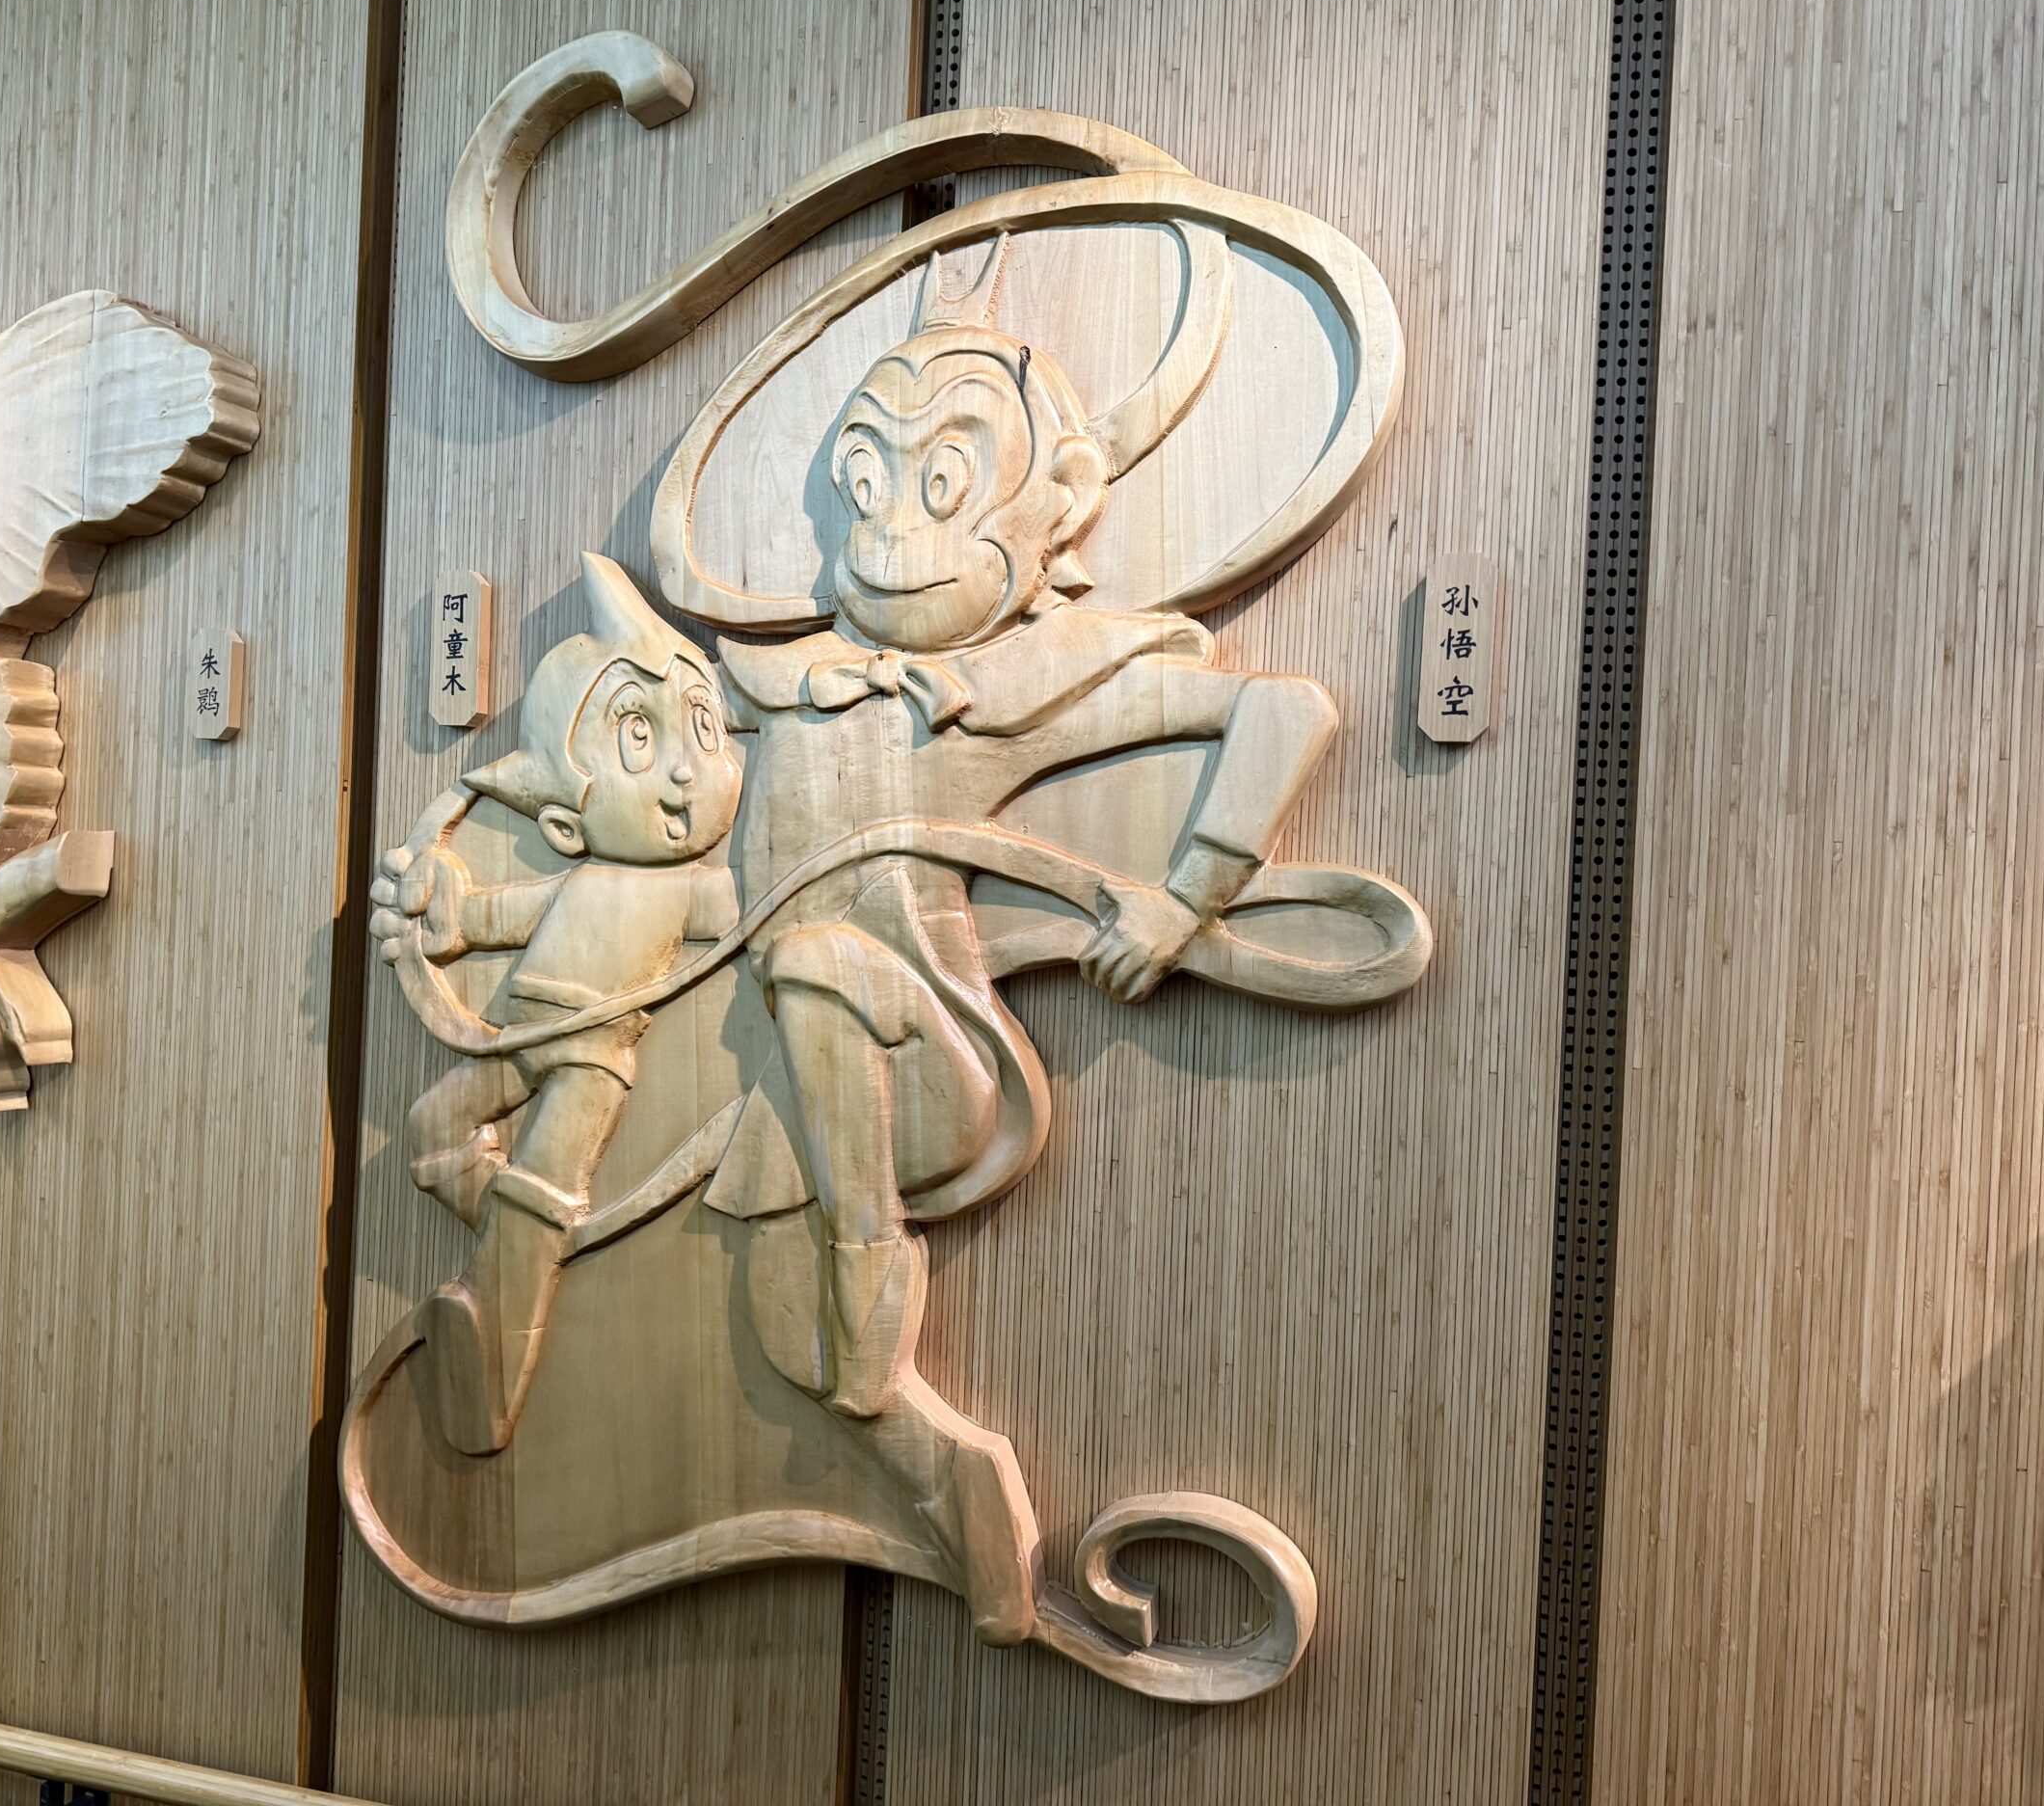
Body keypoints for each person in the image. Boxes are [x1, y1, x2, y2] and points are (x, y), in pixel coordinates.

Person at [703, 322, 1342, 1434]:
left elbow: (1285, 709)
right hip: (785, 1075)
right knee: (784, 1361)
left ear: (1058, 498)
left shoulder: (1036, 677)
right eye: (869, 482)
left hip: (924, 1070)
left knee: (820, 960)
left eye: (942, 481)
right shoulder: (796, 686)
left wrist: (1187, 897)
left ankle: (869, 1252)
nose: (894, 531)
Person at [369, 553, 741, 1455]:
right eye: (639, 739)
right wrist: (444, 917)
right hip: (522, 1031)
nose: (684, 773)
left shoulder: (694, 889)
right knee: (430, 1131)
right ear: (564, 826)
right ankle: (535, 1248)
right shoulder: (584, 874)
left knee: (538, 1184)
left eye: (702, 730)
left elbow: (750, 914)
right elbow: (499, 917)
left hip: (590, 1060)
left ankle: (495, 1355)